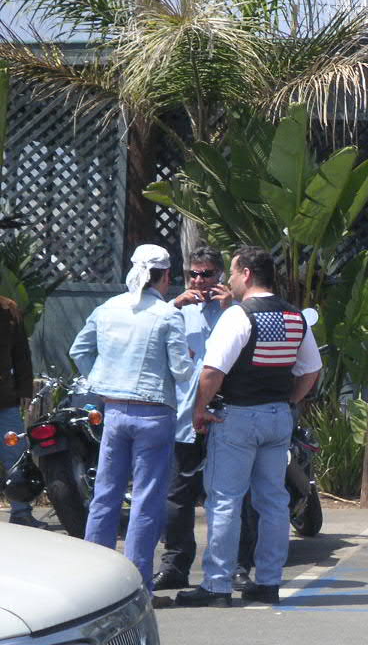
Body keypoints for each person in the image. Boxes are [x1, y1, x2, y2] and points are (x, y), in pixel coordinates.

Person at [177, 246, 321, 608]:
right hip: (278, 417)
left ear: (246, 274)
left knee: (225, 500)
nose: (228, 279)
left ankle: (217, 585)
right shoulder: (294, 316)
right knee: (273, 500)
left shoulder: (238, 315)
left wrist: (199, 410)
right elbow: (311, 370)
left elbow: (212, 371)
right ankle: (268, 582)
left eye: (231, 272)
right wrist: (288, 401)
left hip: (238, 416)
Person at [69, 245, 194, 598]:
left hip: (114, 411)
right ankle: (137, 586)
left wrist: (101, 379)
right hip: (154, 413)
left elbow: (79, 351)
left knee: (105, 495)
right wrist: (190, 358)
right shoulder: (168, 315)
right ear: (165, 277)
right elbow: (181, 371)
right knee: (146, 499)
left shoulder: (108, 308)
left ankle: (93, 582)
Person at [152, 246, 232, 592]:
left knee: (230, 495)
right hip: (185, 415)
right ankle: (175, 565)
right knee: (176, 495)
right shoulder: (175, 311)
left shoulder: (235, 312)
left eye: (207, 274)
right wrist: (173, 306)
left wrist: (230, 308)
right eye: (193, 274)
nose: (199, 281)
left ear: (221, 276)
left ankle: (236, 566)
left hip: (226, 413)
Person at [0, 295, 46, 528]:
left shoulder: (7, 310)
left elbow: (21, 354)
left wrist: (24, 388)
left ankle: (21, 512)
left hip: (4, 400)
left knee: (16, 457)